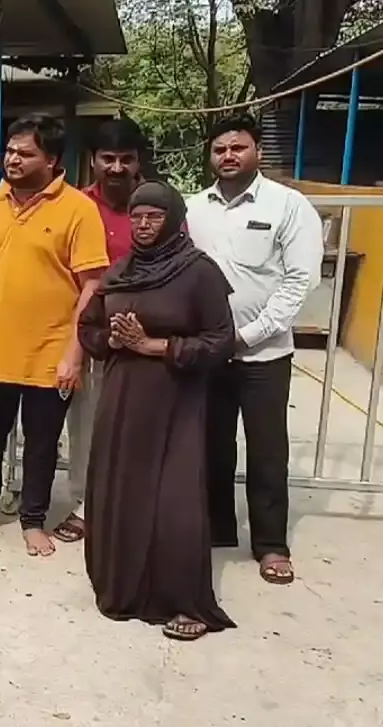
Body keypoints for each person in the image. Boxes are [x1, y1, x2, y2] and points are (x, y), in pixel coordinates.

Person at [0, 113, 109, 556]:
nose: (12, 159)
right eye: (10, 151)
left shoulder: (78, 209)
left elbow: (92, 285)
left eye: (24, 153)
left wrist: (75, 352)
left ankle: (34, 520)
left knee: (41, 444)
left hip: (50, 353)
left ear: (52, 160)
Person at [79, 180, 238, 641]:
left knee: (175, 501)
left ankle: (184, 601)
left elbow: (220, 341)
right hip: (124, 397)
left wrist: (154, 345)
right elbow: (88, 327)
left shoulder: (198, 272)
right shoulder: (121, 270)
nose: (144, 225)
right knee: (123, 493)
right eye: (137, 216)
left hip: (177, 397)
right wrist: (112, 340)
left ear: (173, 220)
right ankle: (123, 590)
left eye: (154, 217)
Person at [186, 115, 324, 586]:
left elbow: (299, 279)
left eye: (238, 148)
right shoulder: (192, 208)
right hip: (210, 353)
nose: (228, 156)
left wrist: (249, 334)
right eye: (220, 149)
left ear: (257, 152)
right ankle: (217, 528)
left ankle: (270, 545)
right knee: (211, 445)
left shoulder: (289, 205)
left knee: (266, 450)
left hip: (263, 354)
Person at [55, 118, 147, 545]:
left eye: (125, 159)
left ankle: (130, 508)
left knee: (137, 429)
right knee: (86, 426)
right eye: (107, 158)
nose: (115, 168)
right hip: (87, 336)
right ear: (92, 161)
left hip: (143, 339)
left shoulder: (155, 207)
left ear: (138, 163)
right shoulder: (74, 206)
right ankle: (84, 506)